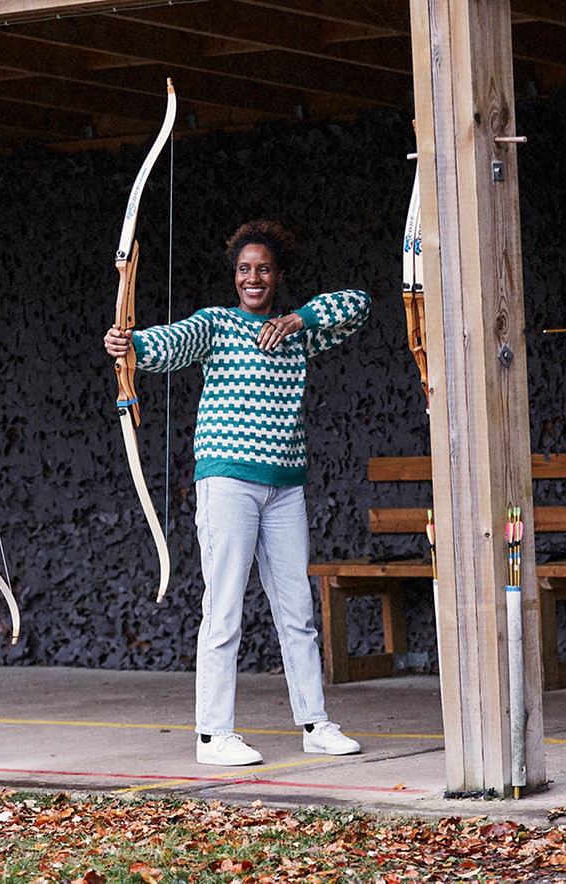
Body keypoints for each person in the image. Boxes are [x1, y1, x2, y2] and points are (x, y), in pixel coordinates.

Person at [104, 220, 371, 766]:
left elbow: (359, 304)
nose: (254, 277)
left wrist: (301, 318)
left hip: (285, 486)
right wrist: (127, 344)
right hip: (228, 481)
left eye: (264, 269)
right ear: (235, 275)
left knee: (296, 608)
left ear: (278, 276)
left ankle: (315, 723)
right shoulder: (217, 325)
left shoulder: (297, 330)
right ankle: (212, 736)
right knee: (223, 607)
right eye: (245, 269)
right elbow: (166, 345)